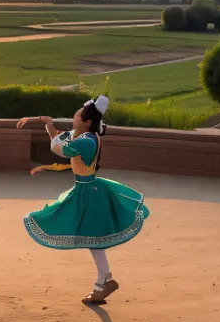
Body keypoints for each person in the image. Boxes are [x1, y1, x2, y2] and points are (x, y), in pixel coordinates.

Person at [16, 95, 149, 305]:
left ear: (86, 122)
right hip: (88, 189)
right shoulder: (86, 136)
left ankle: (103, 282)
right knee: (93, 238)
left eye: (76, 118)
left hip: (89, 192)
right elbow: (61, 138)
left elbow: (58, 148)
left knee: (91, 237)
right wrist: (49, 125)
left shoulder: (86, 141)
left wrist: (50, 127)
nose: (73, 121)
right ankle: (103, 282)